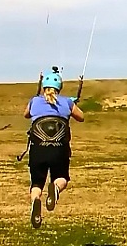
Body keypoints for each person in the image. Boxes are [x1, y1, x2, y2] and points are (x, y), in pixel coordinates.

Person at [24, 67, 84, 229]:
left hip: (38, 150)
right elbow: (81, 117)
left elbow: (26, 114)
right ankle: (55, 189)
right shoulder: (67, 102)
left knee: (36, 183)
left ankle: (36, 201)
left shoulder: (35, 101)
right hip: (59, 150)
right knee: (61, 178)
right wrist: (71, 104)